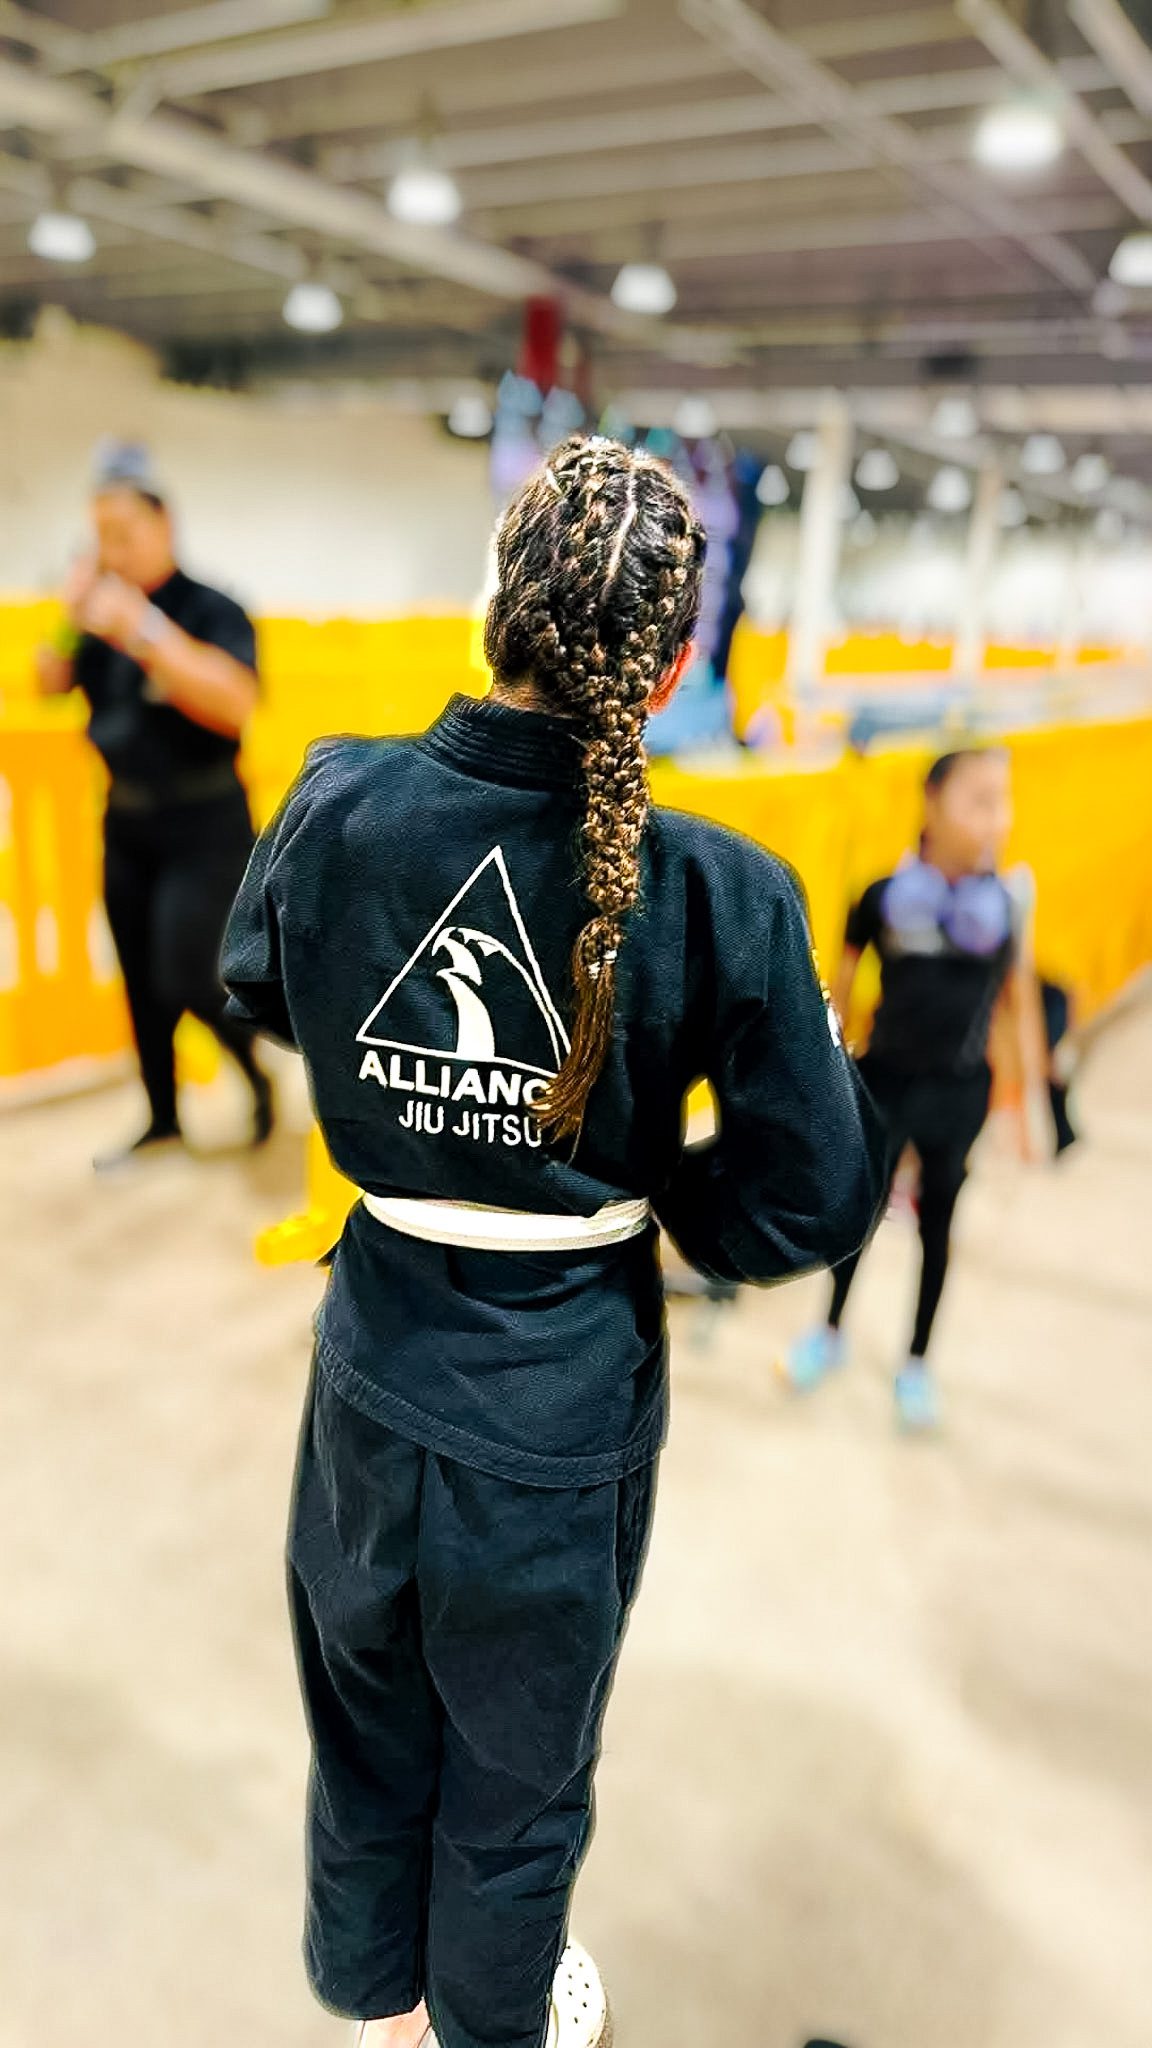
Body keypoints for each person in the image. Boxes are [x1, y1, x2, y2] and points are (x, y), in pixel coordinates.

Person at [221, 434, 885, 2048]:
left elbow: (252, 981)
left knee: (366, 1700)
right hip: (558, 1394)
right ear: (669, 670)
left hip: (372, 1362)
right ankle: (491, 2023)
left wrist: (415, 1120)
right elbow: (811, 1190)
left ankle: (376, 1997)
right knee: (515, 1764)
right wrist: (630, 1199)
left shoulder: (340, 796)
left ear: (494, 614)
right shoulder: (721, 889)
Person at [783, 747, 1047, 1431]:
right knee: (860, 1216)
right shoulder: (883, 898)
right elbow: (832, 1000)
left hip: (960, 1094)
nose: (997, 819)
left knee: (938, 1227)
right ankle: (830, 1332)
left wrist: (1025, 1108)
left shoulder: (1007, 904)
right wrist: (825, 1082)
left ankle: (917, 1361)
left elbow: (1015, 1004)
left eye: (1004, 801)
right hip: (885, 1085)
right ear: (932, 803)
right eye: (979, 800)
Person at [35, 440, 273, 1164]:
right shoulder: (97, 616)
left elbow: (234, 703)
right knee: (140, 979)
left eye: (124, 534)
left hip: (206, 820)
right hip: (127, 817)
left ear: (163, 526)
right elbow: (46, 680)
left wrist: (143, 633)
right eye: (100, 536)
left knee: (189, 971)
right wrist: (68, 614)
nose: (112, 549)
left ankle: (253, 1071)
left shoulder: (209, 607)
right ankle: (164, 1119)